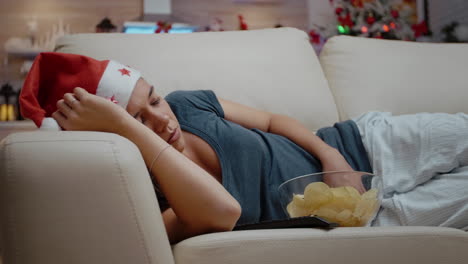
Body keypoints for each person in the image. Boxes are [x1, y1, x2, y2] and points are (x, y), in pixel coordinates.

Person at [20, 52, 468, 244]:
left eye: (153, 99)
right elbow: (224, 213)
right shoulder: (150, 192)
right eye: (138, 120)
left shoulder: (187, 104)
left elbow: (274, 121)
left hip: (362, 144)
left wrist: (332, 158)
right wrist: (126, 127)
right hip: (371, 221)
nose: (162, 119)